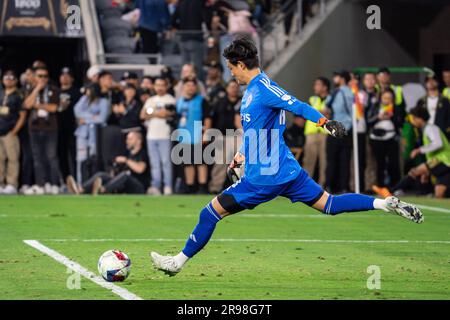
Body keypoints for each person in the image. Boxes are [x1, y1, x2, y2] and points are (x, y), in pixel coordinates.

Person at [150, 38, 424, 276]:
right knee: (329, 204)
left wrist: (325, 122)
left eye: (232, 68)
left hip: (264, 177)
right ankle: (384, 204)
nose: (231, 73)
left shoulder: (264, 88)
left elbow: (298, 105)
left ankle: (177, 262)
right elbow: (259, 129)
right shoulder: (255, 91)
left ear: (242, 65)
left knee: (208, 213)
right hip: (287, 171)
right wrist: (241, 154)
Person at [373, 106, 449, 199]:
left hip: (445, 160)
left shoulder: (430, 128)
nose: (412, 121)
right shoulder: (425, 129)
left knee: (414, 171)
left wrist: (419, 150)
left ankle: (389, 191)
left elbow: (438, 144)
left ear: (420, 118)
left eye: (413, 118)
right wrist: (427, 171)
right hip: (442, 163)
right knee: (439, 195)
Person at [67, 131, 149, 195]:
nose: (127, 141)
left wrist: (126, 160)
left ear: (138, 141)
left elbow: (140, 169)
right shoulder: (127, 153)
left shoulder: (142, 153)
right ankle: (81, 190)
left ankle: (102, 190)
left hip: (138, 186)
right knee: (102, 175)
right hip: (124, 185)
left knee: (125, 175)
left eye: (130, 139)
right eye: (127, 139)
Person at [23, 67, 61, 195]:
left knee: (51, 156)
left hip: (50, 128)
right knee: (37, 158)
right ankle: (41, 184)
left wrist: (38, 105)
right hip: (34, 128)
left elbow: (54, 108)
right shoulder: (30, 89)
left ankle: (54, 184)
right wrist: (37, 89)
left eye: (45, 76)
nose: (43, 79)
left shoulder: (53, 90)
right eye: (40, 76)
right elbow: (27, 105)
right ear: (34, 77)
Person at [175, 76, 212, 194]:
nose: (190, 88)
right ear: (183, 87)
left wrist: (206, 134)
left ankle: (202, 186)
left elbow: (207, 118)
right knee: (188, 163)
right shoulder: (180, 101)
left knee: (200, 162)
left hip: (198, 135)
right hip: (184, 136)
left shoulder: (202, 100)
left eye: (192, 85)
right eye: (188, 85)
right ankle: (190, 186)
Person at [141, 77, 177, 195]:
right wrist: (158, 114)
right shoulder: (151, 99)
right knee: (154, 163)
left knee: (166, 162)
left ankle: (167, 186)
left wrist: (152, 113)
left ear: (166, 86)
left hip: (165, 135)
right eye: (157, 85)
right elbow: (142, 115)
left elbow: (168, 113)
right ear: (154, 86)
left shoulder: (170, 99)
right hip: (151, 135)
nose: (160, 88)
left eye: (162, 85)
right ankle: (156, 186)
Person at [208, 79, 242, 193]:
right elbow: (212, 118)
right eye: (231, 87)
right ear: (227, 89)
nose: (234, 89)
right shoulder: (220, 102)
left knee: (240, 163)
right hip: (222, 135)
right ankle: (215, 187)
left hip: (238, 136)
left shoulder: (243, 101)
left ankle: (240, 185)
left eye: (236, 87)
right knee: (220, 163)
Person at [73, 83, 110, 184]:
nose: (87, 92)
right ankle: (81, 184)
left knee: (94, 159)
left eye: (89, 90)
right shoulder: (84, 100)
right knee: (81, 159)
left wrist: (85, 119)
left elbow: (102, 118)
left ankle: (93, 184)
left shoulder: (103, 102)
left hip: (96, 135)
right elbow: (76, 111)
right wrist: (92, 117)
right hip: (82, 133)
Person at [325, 70, 353, 194]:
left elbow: (329, 108)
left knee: (332, 160)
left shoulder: (338, 92)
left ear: (342, 79)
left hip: (336, 129)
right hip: (349, 130)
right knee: (345, 161)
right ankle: (344, 187)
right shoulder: (352, 92)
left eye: (337, 77)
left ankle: (330, 186)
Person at [367, 89, 401, 190]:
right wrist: (379, 117)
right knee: (379, 163)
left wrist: (392, 116)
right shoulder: (375, 106)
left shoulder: (396, 108)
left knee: (393, 163)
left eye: (389, 98)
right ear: (381, 98)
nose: (387, 100)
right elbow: (368, 121)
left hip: (391, 138)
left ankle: (395, 187)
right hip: (376, 139)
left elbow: (400, 122)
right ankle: (380, 186)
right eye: (385, 98)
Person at [0, 71, 26, 194]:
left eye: (11, 78)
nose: (8, 80)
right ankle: (1, 183)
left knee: (12, 158)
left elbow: (22, 115)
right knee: (0, 159)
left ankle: (12, 184)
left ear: (16, 81)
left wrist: (15, 130)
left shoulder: (18, 95)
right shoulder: (1, 93)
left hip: (10, 131)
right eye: (6, 78)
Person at [302, 77, 329, 186]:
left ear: (325, 87)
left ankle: (323, 186)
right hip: (311, 134)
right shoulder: (312, 99)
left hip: (325, 134)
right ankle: (305, 185)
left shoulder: (331, 98)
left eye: (318, 84)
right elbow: (305, 113)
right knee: (308, 160)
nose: (315, 87)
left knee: (325, 162)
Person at [58, 67, 81, 181]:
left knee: (74, 156)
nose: (65, 77)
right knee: (61, 155)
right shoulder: (55, 91)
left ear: (72, 78)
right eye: (63, 75)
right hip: (58, 128)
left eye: (67, 75)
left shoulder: (76, 92)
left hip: (73, 128)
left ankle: (77, 179)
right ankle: (65, 180)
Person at [417, 75, 450, 140]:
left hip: (441, 134)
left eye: (433, 80)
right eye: (428, 81)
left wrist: (446, 130)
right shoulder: (421, 102)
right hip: (425, 134)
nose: (430, 82)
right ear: (425, 84)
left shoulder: (445, 101)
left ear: (437, 82)